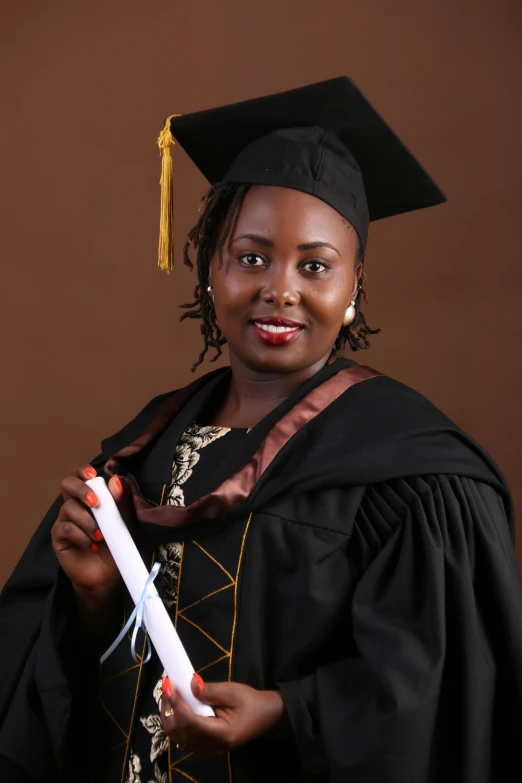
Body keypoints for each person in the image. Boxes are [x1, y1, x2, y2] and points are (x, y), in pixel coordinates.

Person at [0, 76, 521, 783]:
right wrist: (93, 598)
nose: (281, 288)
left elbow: (433, 692)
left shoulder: (411, 472)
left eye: (315, 265)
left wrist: (284, 711)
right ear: (210, 267)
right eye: (251, 257)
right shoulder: (148, 446)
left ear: (355, 285)